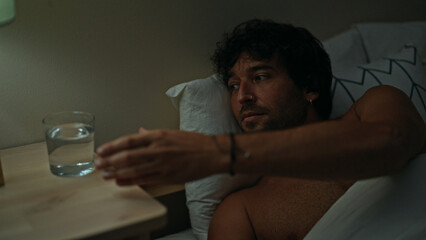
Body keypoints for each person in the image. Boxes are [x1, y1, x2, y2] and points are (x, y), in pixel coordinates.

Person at [95, 19, 426, 239]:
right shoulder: (243, 210)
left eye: (261, 77)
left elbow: (393, 145)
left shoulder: (374, 106)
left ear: (308, 86)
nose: (243, 97)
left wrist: (220, 153)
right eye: (233, 85)